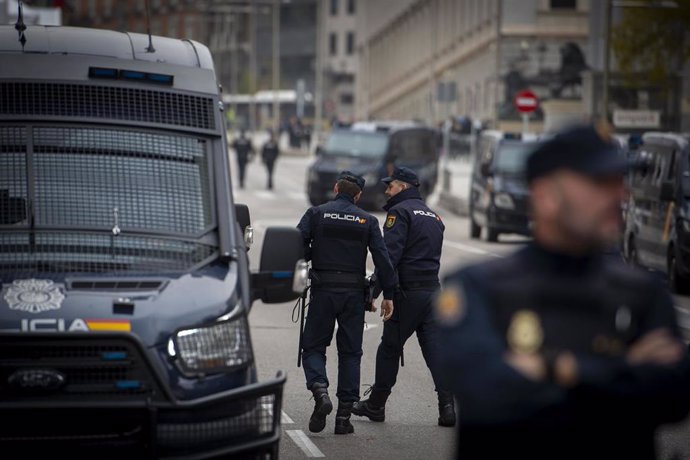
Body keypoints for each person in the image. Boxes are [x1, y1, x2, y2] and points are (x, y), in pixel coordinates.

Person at [436, 123, 690, 460]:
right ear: (546, 197)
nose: (620, 196)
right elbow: (485, 392)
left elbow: (673, 399)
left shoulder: (643, 293)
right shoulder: (478, 288)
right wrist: (622, 370)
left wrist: (552, 369)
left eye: (619, 183)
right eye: (600, 183)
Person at [352, 166, 456, 427]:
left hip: (407, 293)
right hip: (432, 291)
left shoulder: (399, 213)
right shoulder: (433, 216)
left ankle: (376, 405)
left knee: (389, 348)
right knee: (435, 350)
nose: (387, 190)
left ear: (404, 187)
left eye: (391, 186)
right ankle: (447, 407)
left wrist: (373, 291)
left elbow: (389, 257)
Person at [297, 171, 398, 435]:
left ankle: (320, 392)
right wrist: (388, 294)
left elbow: (296, 246)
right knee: (351, 352)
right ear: (358, 195)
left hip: (323, 291)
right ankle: (343, 418)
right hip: (353, 294)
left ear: (335, 188)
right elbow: (383, 259)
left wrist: (312, 253)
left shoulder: (317, 214)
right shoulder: (367, 220)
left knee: (314, 346)